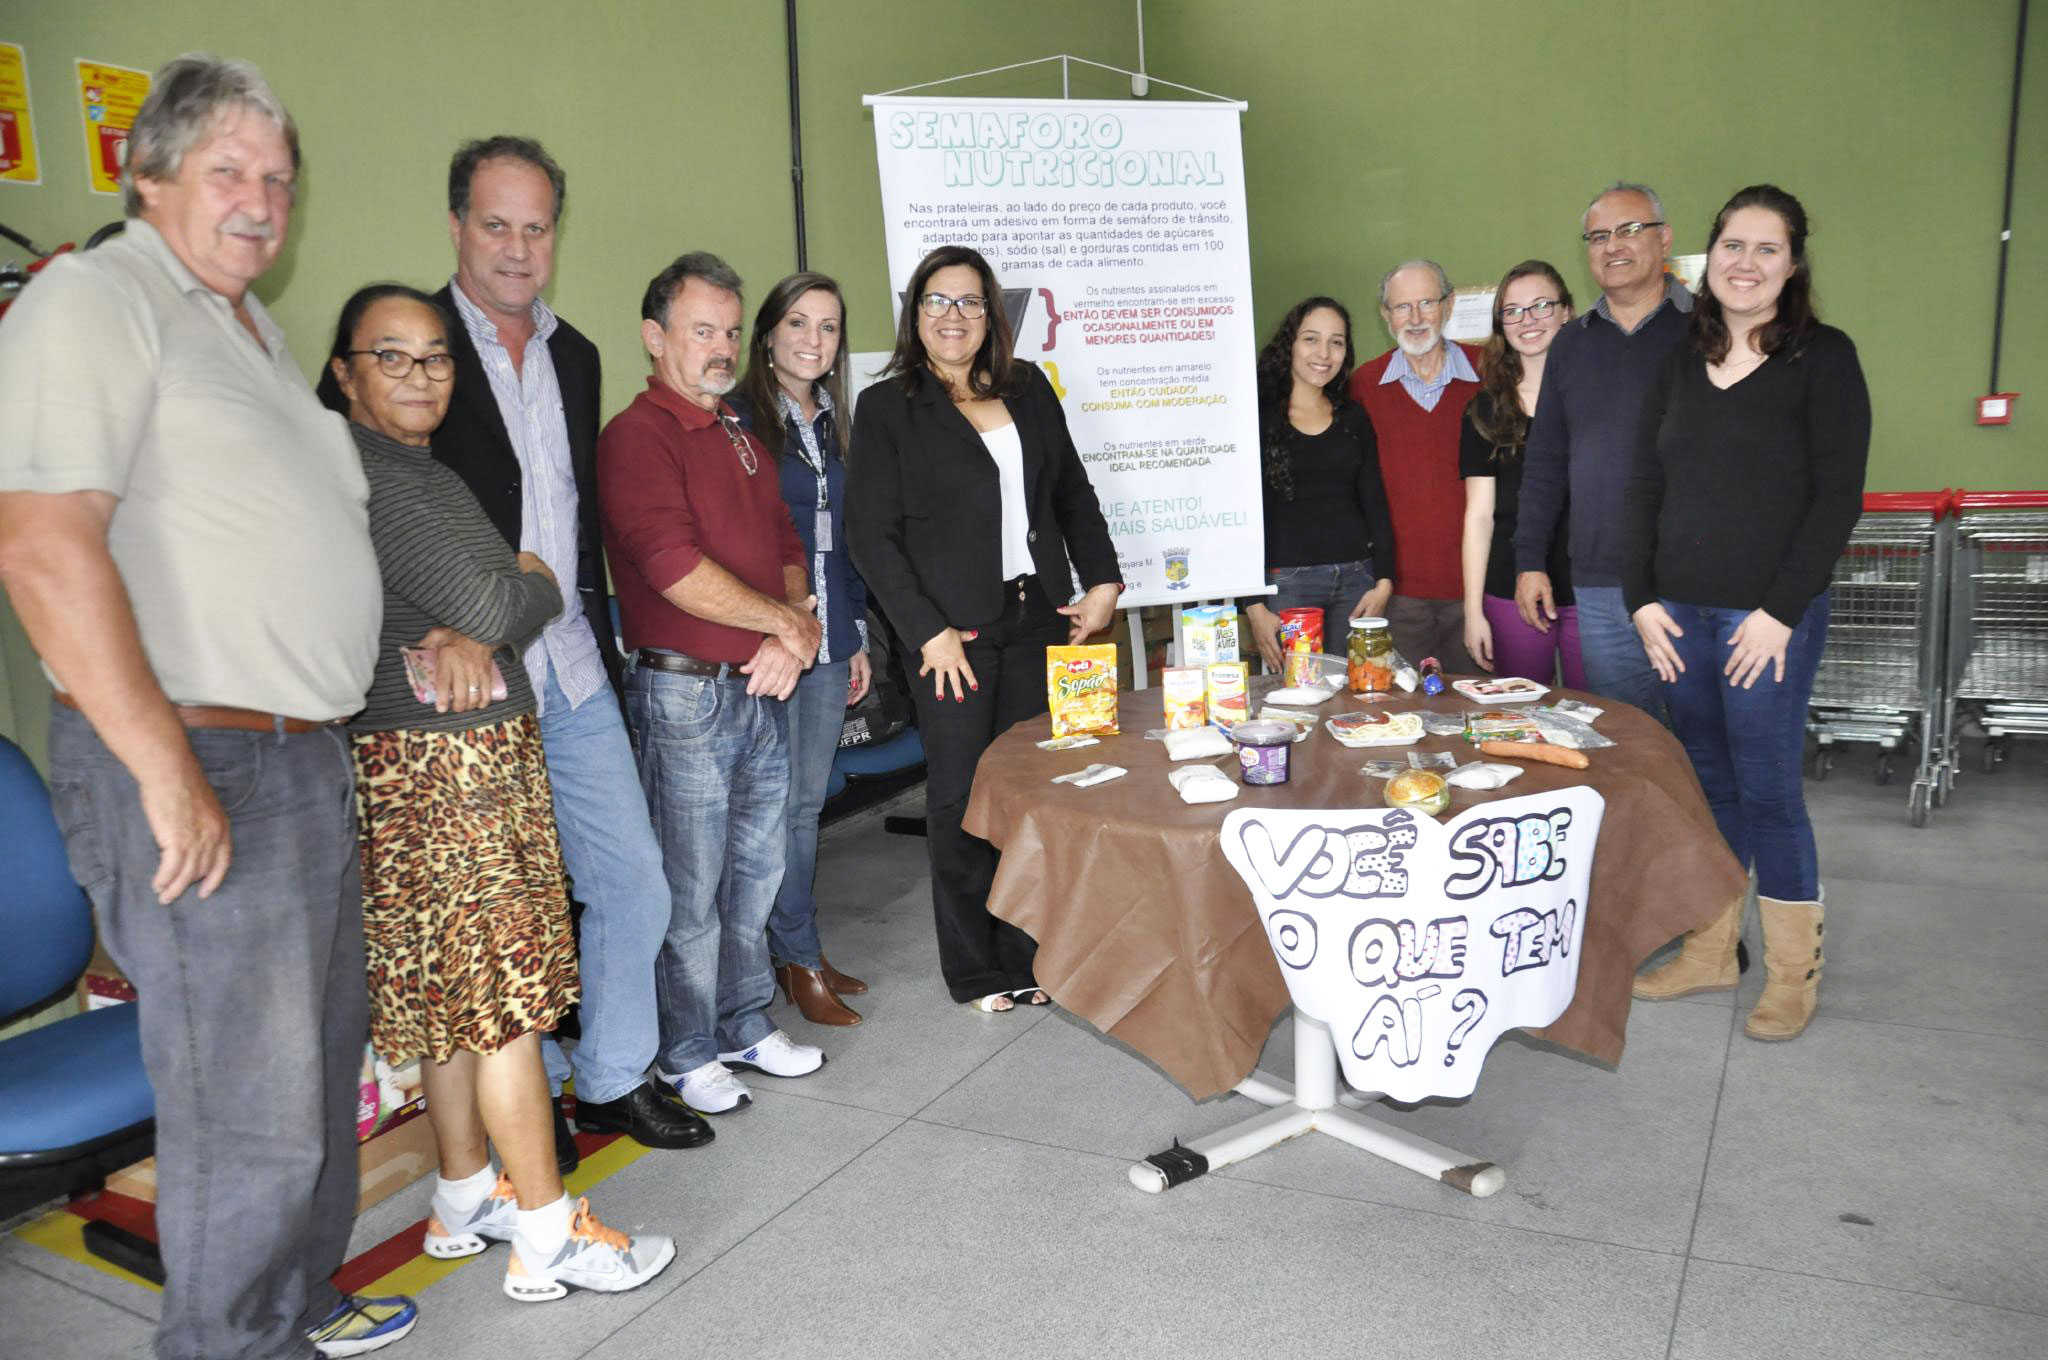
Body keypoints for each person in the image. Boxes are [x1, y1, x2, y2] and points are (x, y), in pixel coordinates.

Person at [0, 55, 416, 1359]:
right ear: (150, 173)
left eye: (279, 180)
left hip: (299, 759)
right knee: (249, 1109)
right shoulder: (97, 298)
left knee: (319, 1074)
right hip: (196, 758)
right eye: (229, 170)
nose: (261, 201)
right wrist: (164, 772)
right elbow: (42, 547)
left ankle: (294, 1309)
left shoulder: (248, 331)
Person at [324, 284, 674, 1299]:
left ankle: (463, 1190)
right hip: (453, 771)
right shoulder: (380, 476)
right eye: (392, 357)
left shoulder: (415, 471)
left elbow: (496, 603)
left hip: (431, 762)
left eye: (436, 357)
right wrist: (527, 581)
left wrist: (504, 601)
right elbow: (505, 591)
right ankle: (547, 1233)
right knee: (507, 1006)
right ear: (344, 372)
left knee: (447, 1002)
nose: (420, 376)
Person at [429, 137, 706, 1159]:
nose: (517, 247)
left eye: (536, 226)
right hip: (469, 683)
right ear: (456, 226)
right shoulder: (412, 348)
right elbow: (368, 503)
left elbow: (578, 516)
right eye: (495, 224)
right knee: (510, 908)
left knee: (633, 879)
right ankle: (530, 1092)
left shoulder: (575, 354)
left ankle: (613, 1078)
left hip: (575, 667)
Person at [846, 245, 1124, 1013]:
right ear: (915, 314)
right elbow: (871, 535)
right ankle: (975, 969)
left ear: (991, 314)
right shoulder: (888, 407)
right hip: (951, 638)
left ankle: (1028, 955)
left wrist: (1104, 580)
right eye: (937, 300)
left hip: (1040, 616)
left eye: (969, 301)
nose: (953, 316)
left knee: (1032, 788)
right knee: (962, 796)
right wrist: (925, 631)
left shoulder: (1027, 388)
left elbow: (1071, 493)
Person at [1624, 185, 1868, 1041]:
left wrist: (1779, 610)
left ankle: (1793, 972)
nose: (1747, 263)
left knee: (1767, 790)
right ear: (1709, 257)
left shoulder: (1825, 358)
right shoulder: (1678, 362)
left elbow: (1837, 499)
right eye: (1734, 245)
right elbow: (1643, 486)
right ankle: (1712, 949)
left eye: (1768, 249)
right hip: (1678, 617)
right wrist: (1640, 599)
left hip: (1767, 621)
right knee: (1709, 784)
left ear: (1793, 265)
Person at [598, 252, 828, 1115]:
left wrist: (792, 624)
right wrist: (785, 625)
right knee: (690, 890)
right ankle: (685, 1052)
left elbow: (786, 541)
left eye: (731, 331)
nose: (722, 347)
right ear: (655, 338)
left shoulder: (737, 428)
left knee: (755, 874)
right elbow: (672, 567)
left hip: (759, 686)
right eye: (702, 331)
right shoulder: (637, 436)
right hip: (684, 694)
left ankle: (741, 1023)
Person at [731, 271, 872, 1026]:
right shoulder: (738, 421)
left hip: (827, 642)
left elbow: (845, 542)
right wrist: (771, 627)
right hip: (765, 646)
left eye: (828, 326)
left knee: (806, 806)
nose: (813, 339)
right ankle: (791, 956)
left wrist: (854, 638)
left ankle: (798, 951)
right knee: (770, 811)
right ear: (767, 335)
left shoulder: (836, 424)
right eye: (798, 322)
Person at [1513, 182, 1692, 723]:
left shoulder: (1706, 330)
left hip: (1690, 578)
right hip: (1600, 584)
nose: (1613, 245)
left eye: (1629, 230)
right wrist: (1529, 561)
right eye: (1598, 236)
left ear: (1665, 238)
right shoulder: (1571, 343)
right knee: (1628, 737)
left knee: (1702, 740)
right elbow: (1546, 460)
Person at [1243, 296, 1396, 671]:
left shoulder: (1353, 417)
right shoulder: (1256, 417)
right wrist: (1252, 603)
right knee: (1297, 694)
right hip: (1287, 583)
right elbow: (1243, 514)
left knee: (1358, 691)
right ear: (1290, 344)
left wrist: (1385, 580)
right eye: (1311, 339)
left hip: (1357, 580)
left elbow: (1374, 500)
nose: (1324, 353)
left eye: (1336, 342)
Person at [1348, 260, 1482, 673]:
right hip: (1397, 596)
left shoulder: (1491, 372)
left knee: (1478, 705)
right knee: (1401, 708)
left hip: (1479, 591)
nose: (1416, 317)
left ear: (1449, 304)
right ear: (1385, 315)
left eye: (1427, 302)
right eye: (1402, 307)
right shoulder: (1363, 386)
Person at [1459, 261, 1586, 687]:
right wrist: (1473, 611)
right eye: (1512, 311)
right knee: (1520, 714)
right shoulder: (1484, 410)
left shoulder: (1599, 399)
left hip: (1590, 590)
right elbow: (1479, 517)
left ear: (1566, 311)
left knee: (1598, 715)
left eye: (1541, 306)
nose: (1527, 320)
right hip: (1510, 588)